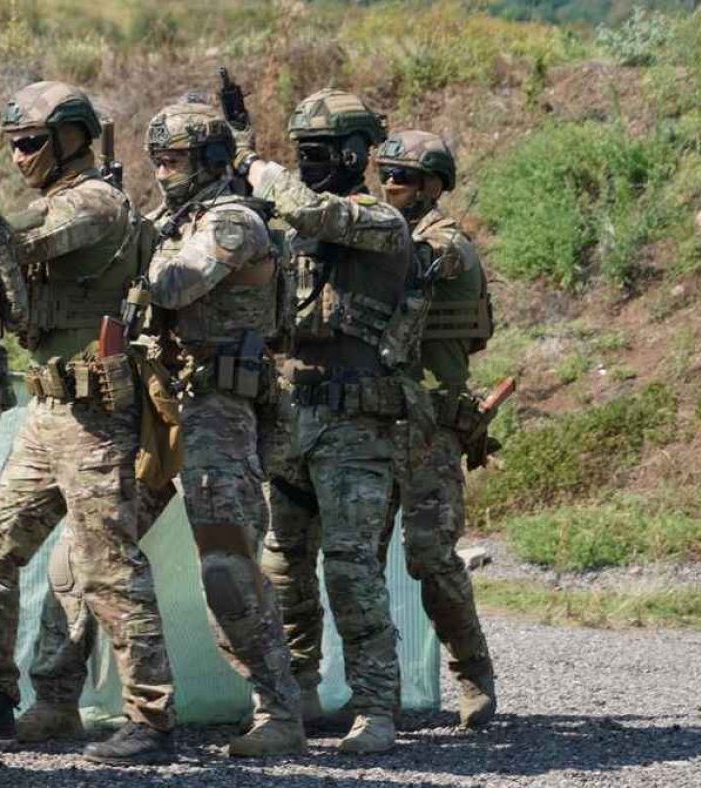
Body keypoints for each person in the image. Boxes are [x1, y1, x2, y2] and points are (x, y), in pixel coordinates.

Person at [0, 80, 178, 765]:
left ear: (71, 138)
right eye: (13, 144)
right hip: (49, 412)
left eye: (30, 142)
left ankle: (150, 717)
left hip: (96, 418)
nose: (19, 156)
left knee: (107, 565)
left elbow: (22, 241)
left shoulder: (95, 204)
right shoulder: (59, 200)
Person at [237, 88, 422, 754]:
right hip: (291, 417)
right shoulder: (294, 224)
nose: (307, 162)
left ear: (352, 154)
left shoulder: (379, 220)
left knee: (349, 568)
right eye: (300, 152)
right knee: (283, 566)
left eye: (317, 151)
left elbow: (315, 210)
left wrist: (264, 173)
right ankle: (295, 697)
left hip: (354, 425)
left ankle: (375, 707)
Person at [140, 101, 306, 757]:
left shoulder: (232, 221)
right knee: (91, 553)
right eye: (156, 160)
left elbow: (174, 286)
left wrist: (128, 256)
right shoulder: (173, 221)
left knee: (227, 566)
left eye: (173, 160)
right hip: (160, 402)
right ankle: (59, 698)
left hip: (219, 409)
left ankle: (280, 710)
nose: (161, 173)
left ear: (210, 160)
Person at [374, 128, 497, 728]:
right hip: (374, 424)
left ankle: (473, 675)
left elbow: (411, 264)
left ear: (432, 186)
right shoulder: (380, 233)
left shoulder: (446, 244)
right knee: (359, 561)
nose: (390, 186)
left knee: (430, 557)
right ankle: (376, 690)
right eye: (384, 175)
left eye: (402, 177)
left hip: (429, 429)